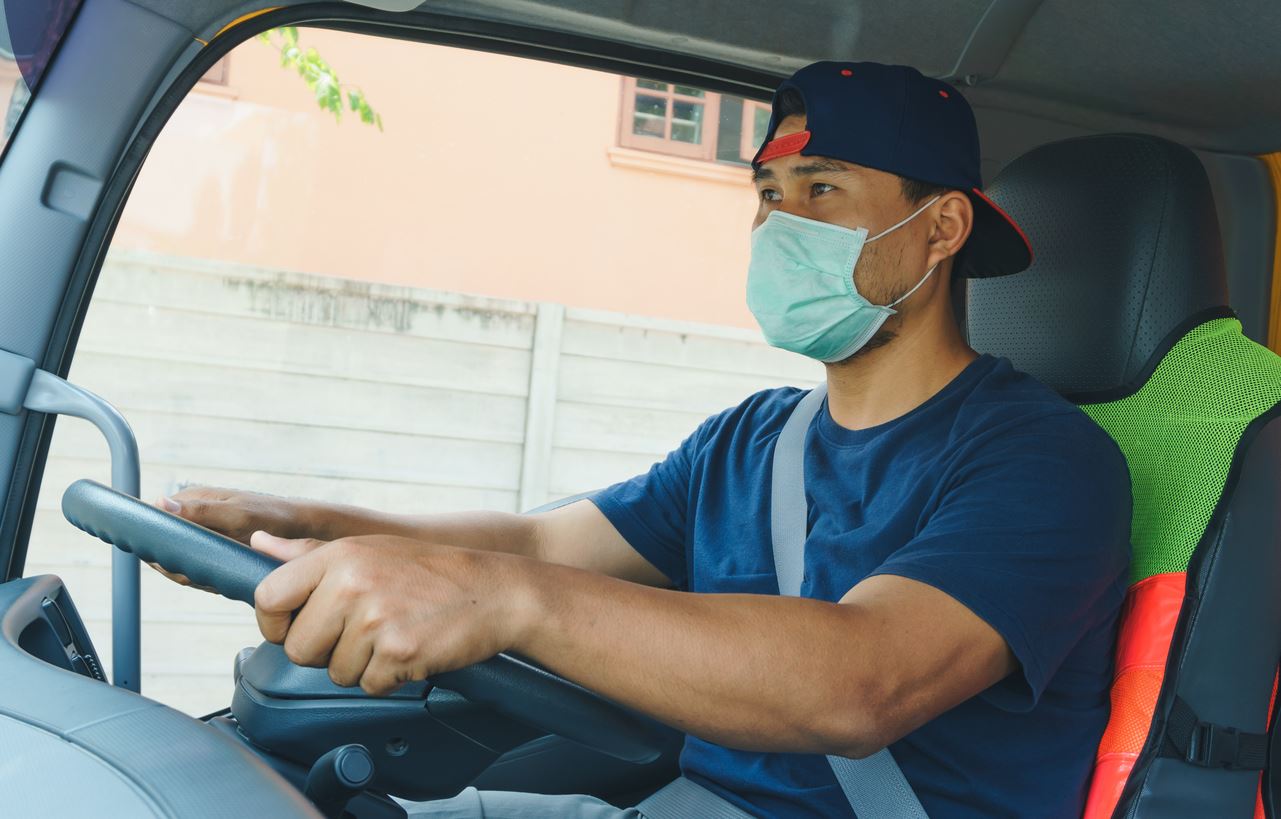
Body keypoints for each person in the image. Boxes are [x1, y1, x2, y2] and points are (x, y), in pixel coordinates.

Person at [156, 61, 1131, 817]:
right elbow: (540, 543)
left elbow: (861, 682)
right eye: (768, 193)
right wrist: (310, 524)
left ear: (943, 228)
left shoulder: (1044, 462)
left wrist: (500, 600)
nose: (777, 224)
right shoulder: (755, 440)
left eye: (822, 189)